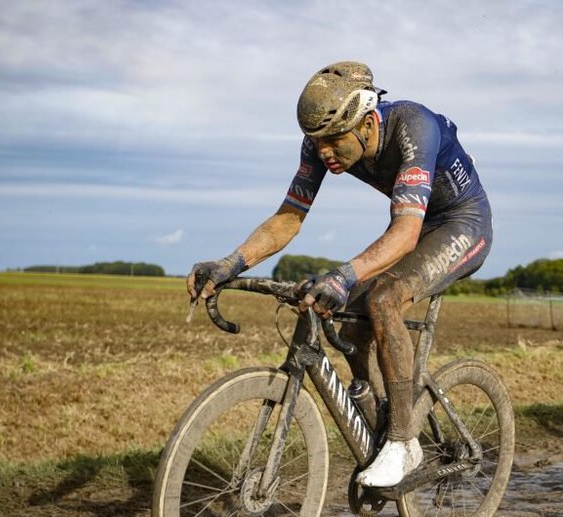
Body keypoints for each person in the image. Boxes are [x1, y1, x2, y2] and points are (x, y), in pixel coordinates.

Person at [186, 61, 493, 487]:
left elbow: (404, 233)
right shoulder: (318, 145)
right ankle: (378, 411)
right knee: (345, 313)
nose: (325, 152)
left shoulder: (413, 126)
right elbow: (289, 217)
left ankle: (404, 443)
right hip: (418, 225)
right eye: (317, 142)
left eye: (333, 141)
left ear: (367, 122)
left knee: (383, 299)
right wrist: (231, 262)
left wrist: (344, 274)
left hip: (461, 223)